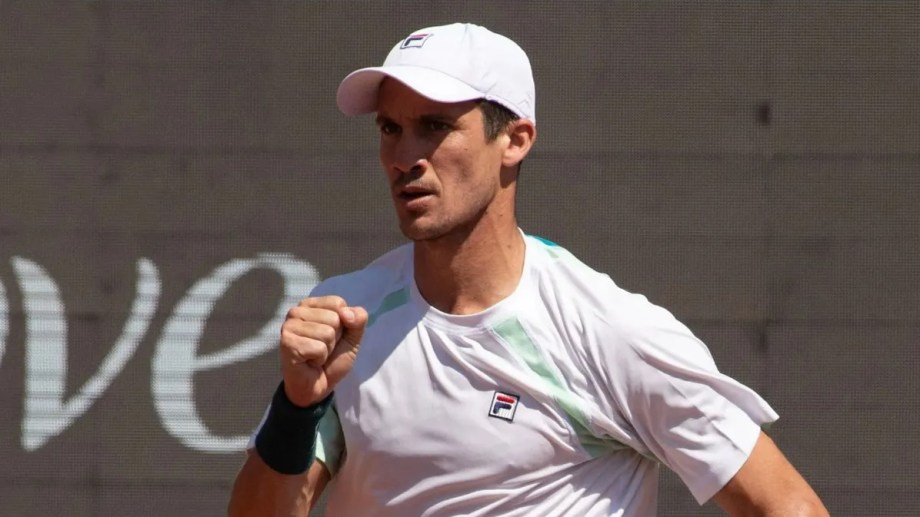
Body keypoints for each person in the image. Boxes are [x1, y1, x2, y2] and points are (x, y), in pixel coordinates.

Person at [229, 22, 828, 516]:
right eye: (391, 128)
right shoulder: (348, 318)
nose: (404, 157)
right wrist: (297, 407)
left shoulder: (608, 330)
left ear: (514, 140)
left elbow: (787, 507)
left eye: (435, 127)